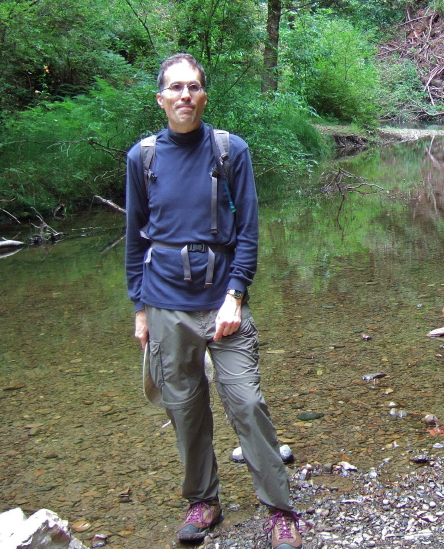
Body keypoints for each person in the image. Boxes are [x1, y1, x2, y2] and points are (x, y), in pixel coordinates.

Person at [125, 53, 303, 547]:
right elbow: (135, 239)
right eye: (176, 88)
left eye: (194, 87)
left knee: (246, 402)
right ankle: (203, 501)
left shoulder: (230, 150)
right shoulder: (143, 157)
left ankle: (280, 510)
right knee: (184, 407)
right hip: (164, 303)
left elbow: (248, 231)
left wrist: (235, 296)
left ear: (205, 96)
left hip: (222, 301)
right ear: (161, 98)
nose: (185, 95)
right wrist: (140, 307)